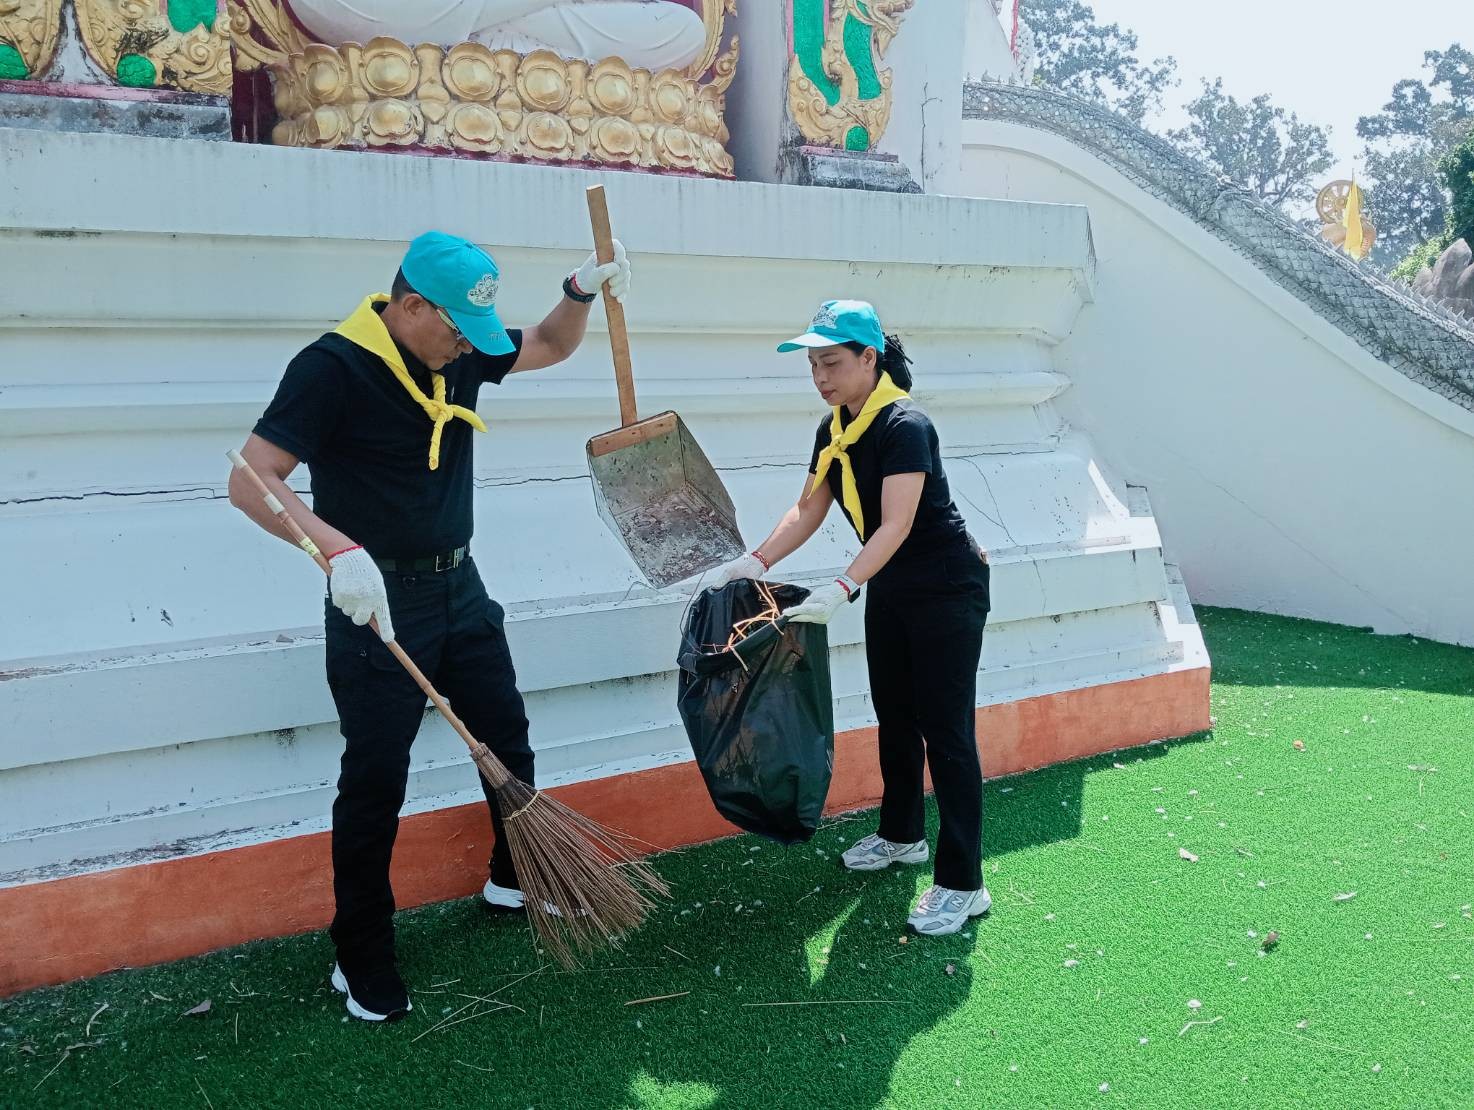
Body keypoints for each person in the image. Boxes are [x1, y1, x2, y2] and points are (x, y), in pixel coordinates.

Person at [228, 230, 631, 1021]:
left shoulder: (458, 350)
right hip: (376, 599)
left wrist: (579, 291)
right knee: (376, 781)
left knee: (506, 737)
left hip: (461, 587)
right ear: (412, 306)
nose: (467, 348)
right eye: (456, 329)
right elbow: (251, 478)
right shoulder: (332, 368)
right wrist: (335, 551)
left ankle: (515, 877)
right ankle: (360, 952)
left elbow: (550, 344)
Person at [698, 300, 992, 937]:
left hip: (946, 588)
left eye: (831, 362)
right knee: (895, 715)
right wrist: (754, 561)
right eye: (813, 365)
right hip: (890, 585)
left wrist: (843, 585)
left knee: (946, 732)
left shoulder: (905, 425)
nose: (820, 377)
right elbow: (808, 508)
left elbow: (897, 523)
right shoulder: (833, 428)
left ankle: (963, 883)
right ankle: (902, 835)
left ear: (869, 358)